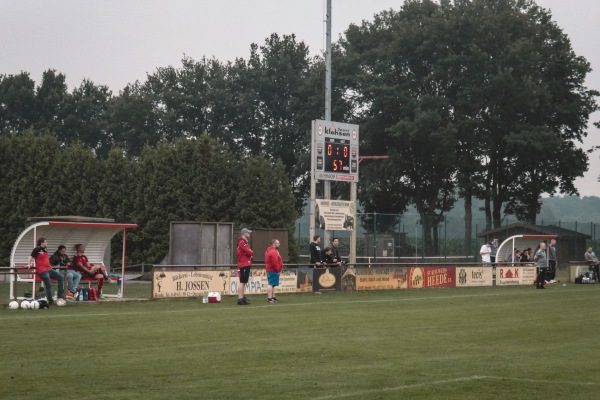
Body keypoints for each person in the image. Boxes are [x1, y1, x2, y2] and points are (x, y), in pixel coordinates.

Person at [28, 238, 64, 305]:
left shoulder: (45, 249)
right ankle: (50, 301)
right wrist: (29, 264)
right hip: (42, 270)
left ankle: (59, 296)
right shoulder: (37, 249)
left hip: (49, 269)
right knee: (48, 284)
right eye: (46, 242)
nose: (47, 243)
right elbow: (31, 256)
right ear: (42, 242)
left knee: (61, 277)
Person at [237, 228, 254, 305]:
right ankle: (240, 299)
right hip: (243, 263)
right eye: (248, 233)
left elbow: (248, 252)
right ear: (244, 234)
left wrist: (249, 253)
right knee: (242, 281)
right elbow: (249, 251)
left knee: (244, 282)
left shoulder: (244, 242)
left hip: (246, 263)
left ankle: (242, 297)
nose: (249, 234)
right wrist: (250, 253)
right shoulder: (242, 242)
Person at [265, 239, 283, 303]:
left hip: (270, 269)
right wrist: (277, 270)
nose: (279, 244)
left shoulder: (270, 251)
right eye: (278, 243)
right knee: (271, 284)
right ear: (274, 244)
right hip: (273, 270)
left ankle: (272, 297)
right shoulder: (273, 252)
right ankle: (270, 298)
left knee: (272, 284)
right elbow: (274, 262)